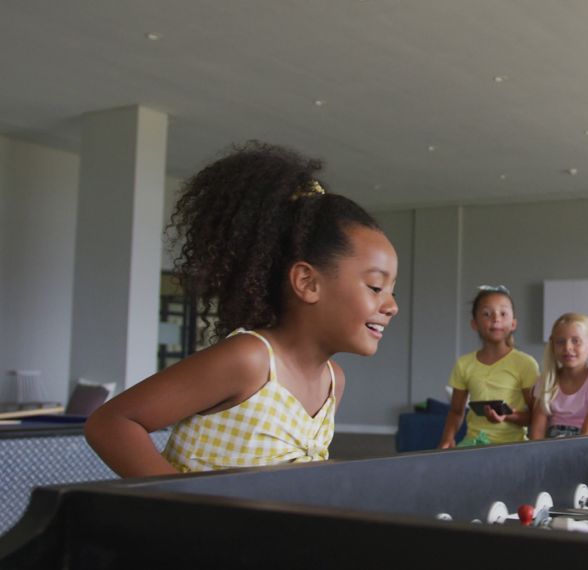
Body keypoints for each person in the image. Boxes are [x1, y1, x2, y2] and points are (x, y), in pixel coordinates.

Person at [85, 141, 399, 477]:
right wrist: (181, 505)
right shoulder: (250, 359)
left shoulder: (334, 381)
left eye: (392, 290)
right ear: (307, 282)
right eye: (376, 287)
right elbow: (112, 422)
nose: (392, 306)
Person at [438, 286, 539, 448]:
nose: (495, 318)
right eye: (486, 314)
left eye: (503, 313)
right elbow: (456, 412)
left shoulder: (526, 363)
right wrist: (447, 439)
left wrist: (507, 416)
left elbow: (536, 415)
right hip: (473, 444)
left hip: (513, 446)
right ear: (474, 324)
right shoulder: (464, 364)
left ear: (513, 324)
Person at [530, 312, 588, 439]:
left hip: (587, 451)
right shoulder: (545, 382)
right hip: (551, 452)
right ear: (552, 346)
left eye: (576, 341)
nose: (567, 347)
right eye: (561, 341)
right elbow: (537, 433)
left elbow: (587, 436)